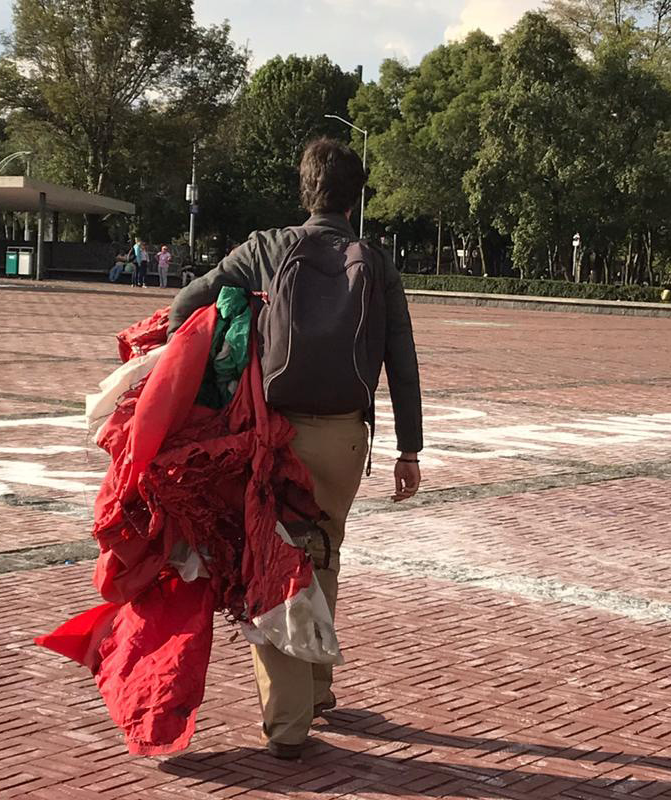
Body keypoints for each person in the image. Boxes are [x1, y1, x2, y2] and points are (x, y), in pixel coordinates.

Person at [168, 137, 423, 760]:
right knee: (324, 550)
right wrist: (409, 449)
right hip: (347, 439)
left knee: (275, 566)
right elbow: (403, 361)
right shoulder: (377, 262)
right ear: (356, 197)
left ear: (304, 190)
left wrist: (191, 380)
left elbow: (186, 303)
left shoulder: (268, 248)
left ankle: (288, 726)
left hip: (280, 439)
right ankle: (318, 685)